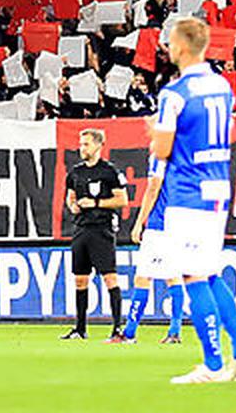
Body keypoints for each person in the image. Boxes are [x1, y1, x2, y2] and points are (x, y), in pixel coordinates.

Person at [153, 17, 236, 384]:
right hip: (217, 187)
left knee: (194, 276)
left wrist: (154, 134)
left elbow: (163, 149)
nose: (167, 46)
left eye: (170, 41)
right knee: (211, 272)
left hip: (189, 192)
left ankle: (213, 366)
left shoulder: (174, 94)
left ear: (182, 46)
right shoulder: (222, 85)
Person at [120, 131, 186, 346]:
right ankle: (174, 331)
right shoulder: (184, 155)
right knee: (173, 276)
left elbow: (152, 189)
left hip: (159, 224)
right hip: (180, 221)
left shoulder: (160, 156)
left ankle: (129, 333)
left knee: (143, 277)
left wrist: (140, 222)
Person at [62, 127, 127, 340]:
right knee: (80, 280)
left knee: (109, 278)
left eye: (86, 144)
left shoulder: (109, 171)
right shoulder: (76, 172)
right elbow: (70, 196)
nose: (82, 148)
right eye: (81, 144)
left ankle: (117, 328)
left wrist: (95, 203)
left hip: (102, 230)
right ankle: (80, 329)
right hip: (81, 229)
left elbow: (122, 200)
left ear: (99, 145)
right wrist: (73, 206)